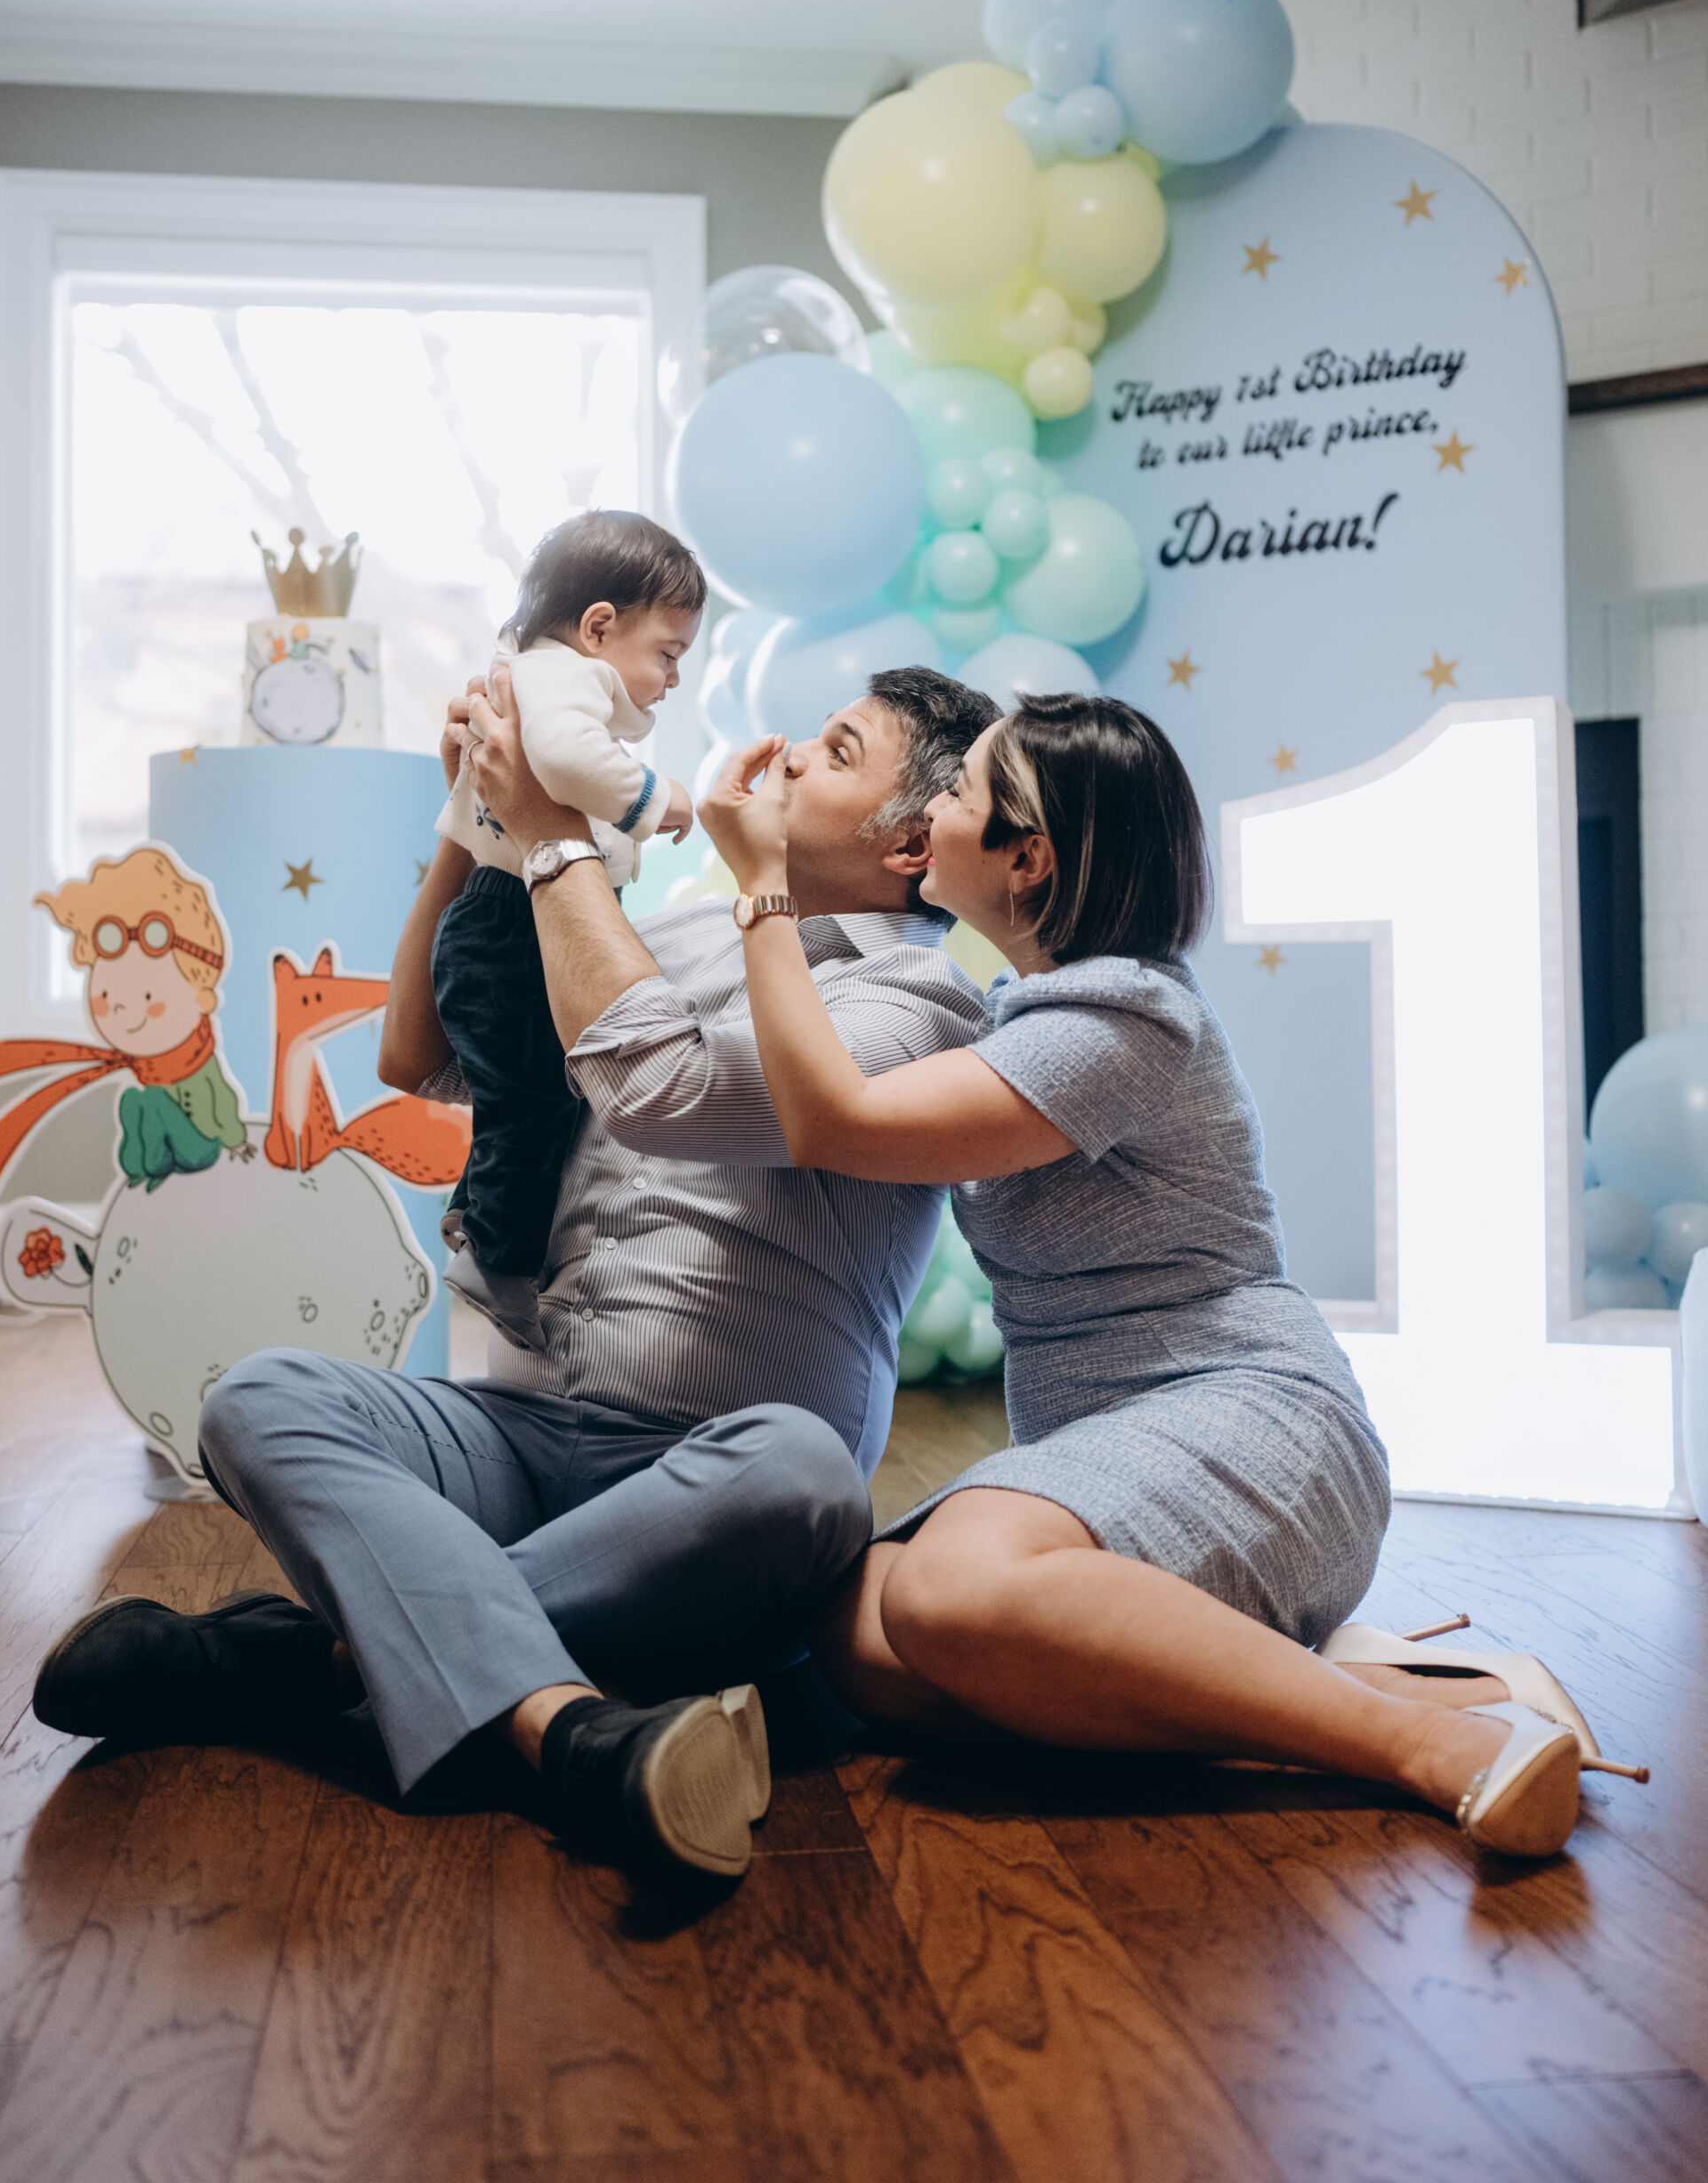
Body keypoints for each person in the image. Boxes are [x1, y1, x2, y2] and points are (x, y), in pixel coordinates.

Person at [32, 663, 1000, 1882]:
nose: (791, 755)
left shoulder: (924, 1008)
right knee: (256, 1397)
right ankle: (556, 1715)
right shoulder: (666, 931)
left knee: (807, 1477)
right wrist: (473, 823)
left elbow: (665, 1091)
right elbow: (419, 1053)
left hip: (707, 1483)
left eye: (839, 751)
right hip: (524, 1434)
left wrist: (553, 843)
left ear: (908, 844)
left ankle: (315, 1660)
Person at [698, 693, 1645, 1861]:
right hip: (1113, 1447)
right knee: (860, 1639)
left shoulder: (1125, 1018)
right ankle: (1349, 1690)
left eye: (960, 793)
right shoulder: (1026, 1012)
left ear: (1027, 859)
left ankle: (1432, 1742)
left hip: (1261, 1425)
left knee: (946, 1592)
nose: (933, 808)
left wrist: (764, 889)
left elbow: (830, 1123)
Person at [432, 509, 703, 1347]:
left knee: (523, 1096)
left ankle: (478, 1218)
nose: (673, 679)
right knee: (535, 1097)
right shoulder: (561, 680)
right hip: (511, 920)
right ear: (598, 627)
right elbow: (565, 759)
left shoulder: (535, 676)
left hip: (498, 914)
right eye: (668, 654)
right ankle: (499, 1262)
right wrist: (659, 800)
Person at [3, 848, 249, 1192]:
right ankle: (139, 1166)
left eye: (148, 997)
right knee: (133, 1100)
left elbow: (223, 1099)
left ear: (199, 992)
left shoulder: (199, 1060)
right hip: (167, 1150)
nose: (121, 1009)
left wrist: (236, 1140)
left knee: (153, 1099)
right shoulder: (146, 1069)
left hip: (202, 1148)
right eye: (107, 997)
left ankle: (151, 1163)